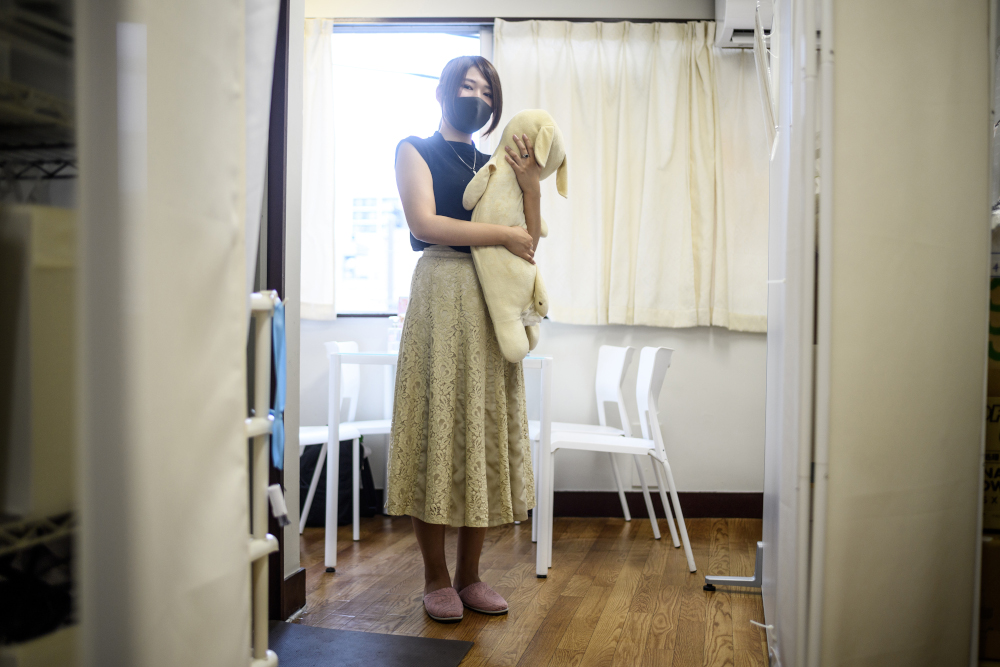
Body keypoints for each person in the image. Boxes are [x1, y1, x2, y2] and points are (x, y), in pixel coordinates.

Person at [386, 55, 539, 623]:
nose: (475, 95)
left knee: (480, 428)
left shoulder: (495, 164)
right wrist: (500, 232)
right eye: (466, 85)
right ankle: (435, 577)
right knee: (436, 429)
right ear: (444, 92)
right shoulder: (414, 148)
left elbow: (530, 241)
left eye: (485, 90)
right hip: (441, 290)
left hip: (491, 299)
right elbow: (425, 224)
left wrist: (529, 187)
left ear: (494, 107)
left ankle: (472, 576)